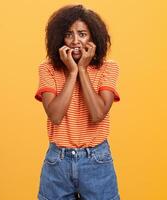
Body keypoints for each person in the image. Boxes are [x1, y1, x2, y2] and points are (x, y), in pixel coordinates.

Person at [34, 4, 121, 200]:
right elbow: (55, 116)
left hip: (96, 160)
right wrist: (72, 72)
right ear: (59, 38)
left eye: (82, 34)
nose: (75, 41)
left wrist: (82, 69)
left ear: (93, 37)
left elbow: (98, 114)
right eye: (68, 34)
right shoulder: (47, 69)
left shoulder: (108, 68)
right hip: (58, 162)